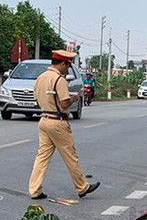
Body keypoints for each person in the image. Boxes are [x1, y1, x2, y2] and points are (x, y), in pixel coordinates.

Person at [28, 50, 100, 200]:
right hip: (58, 121)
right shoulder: (59, 80)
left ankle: (34, 189)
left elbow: (36, 99)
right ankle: (82, 187)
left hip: (44, 119)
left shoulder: (40, 78)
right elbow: (64, 102)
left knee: (42, 157)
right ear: (61, 63)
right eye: (67, 65)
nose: (68, 68)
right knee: (70, 156)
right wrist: (74, 99)